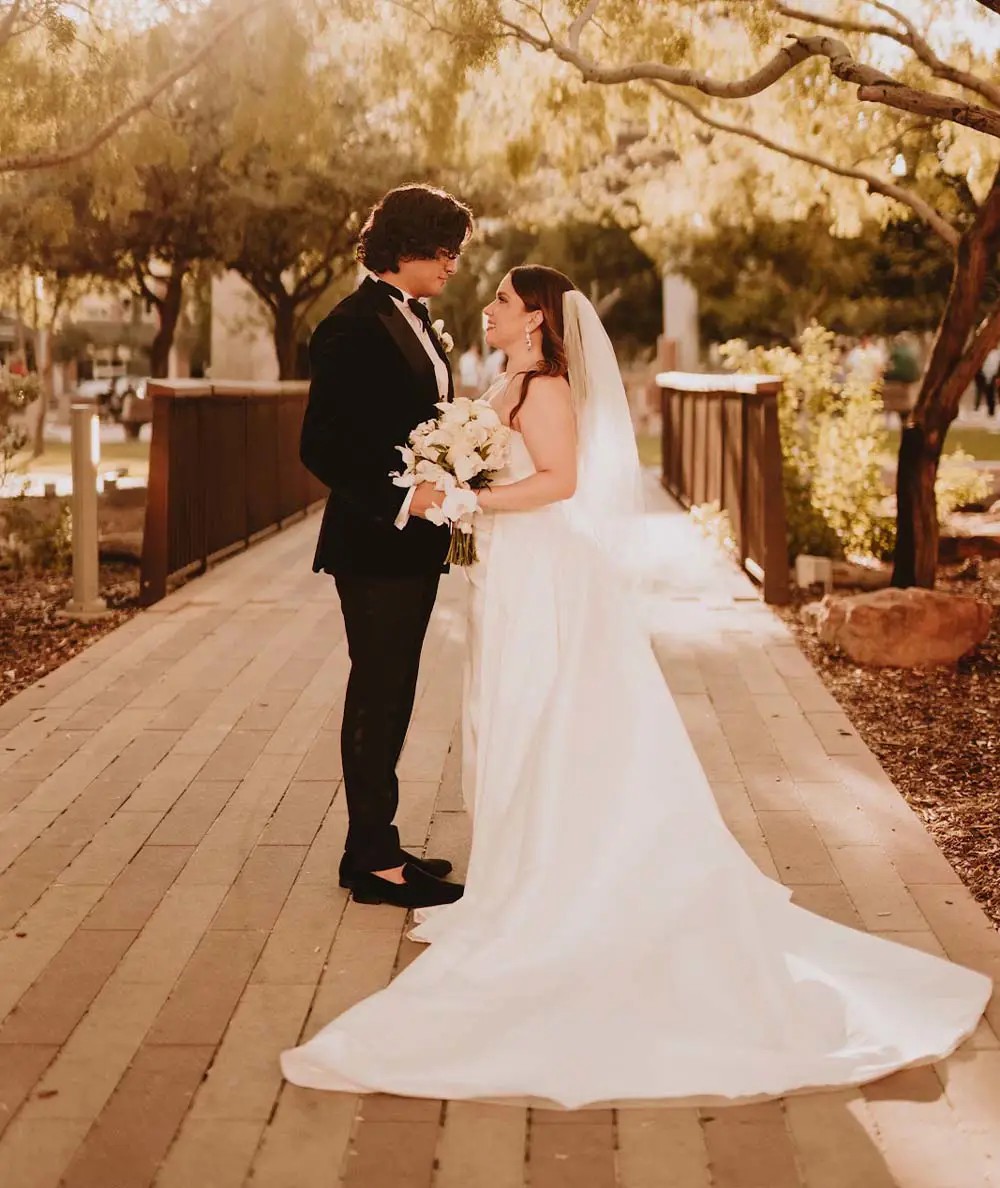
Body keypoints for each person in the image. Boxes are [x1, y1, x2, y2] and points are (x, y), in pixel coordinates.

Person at [283, 266, 990, 1107]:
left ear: (539, 317)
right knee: (508, 717)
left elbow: (562, 484)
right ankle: (519, 874)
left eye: (505, 301)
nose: (489, 309)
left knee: (547, 716)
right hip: (510, 580)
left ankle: (565, 879)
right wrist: (453, 490)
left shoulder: (544, 387)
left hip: (545, 577)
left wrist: (468, 500)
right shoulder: (505, 380)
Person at [298, 183, 473, 911]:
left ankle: (377, 842)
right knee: (377, 691)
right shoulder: (351, 325)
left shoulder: (419, 319)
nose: (454, 266)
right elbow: (323, 445)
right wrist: (408, 497)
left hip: (411, 549)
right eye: (447, 252)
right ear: (407, 248)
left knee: (394, 690)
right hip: (374, 544)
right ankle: (371, 860)